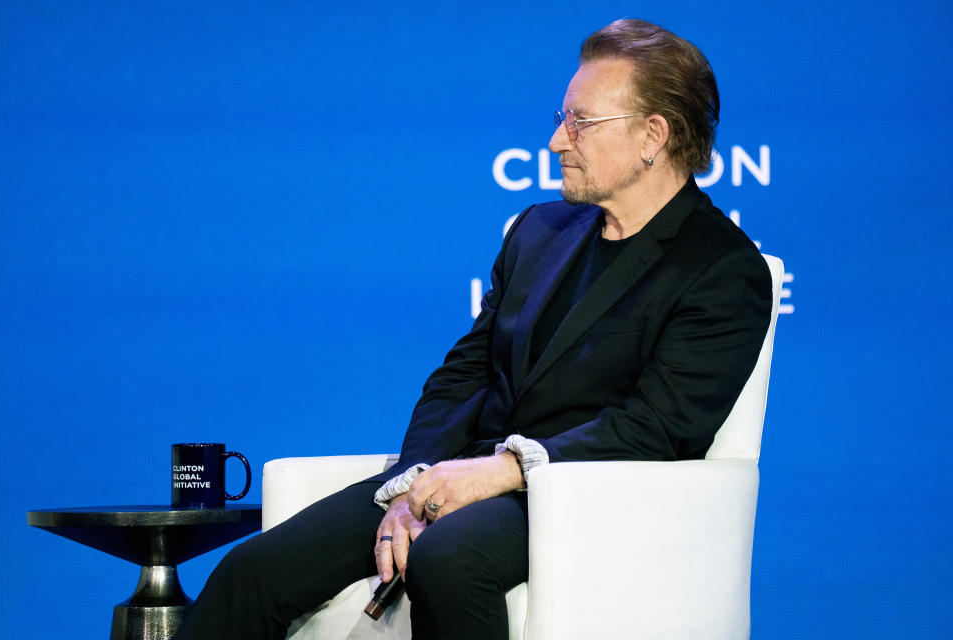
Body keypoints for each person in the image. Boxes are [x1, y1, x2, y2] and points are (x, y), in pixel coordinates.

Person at [174, 18, 772, 640]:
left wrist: (503, 471)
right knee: (253, 570)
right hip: (459, 473)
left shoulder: (722, 269)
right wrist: (412, 485)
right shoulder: (540, 231)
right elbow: (464, 374)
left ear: (653, 135)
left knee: (448, 558)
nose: (555, 141)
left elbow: (658, 427)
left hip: (580, 497)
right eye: (562, 117)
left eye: (580, 122)